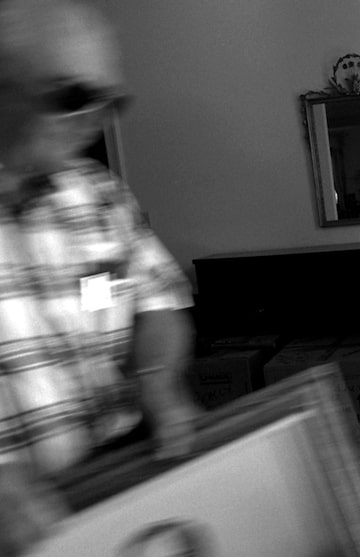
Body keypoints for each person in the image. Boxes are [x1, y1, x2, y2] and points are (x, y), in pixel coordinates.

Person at [0, 0, 200, 554]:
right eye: (71, 96)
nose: (98, 118)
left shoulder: (100, 195)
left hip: (123, 477)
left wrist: (158, 380)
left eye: (112, 99)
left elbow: (156, 302)